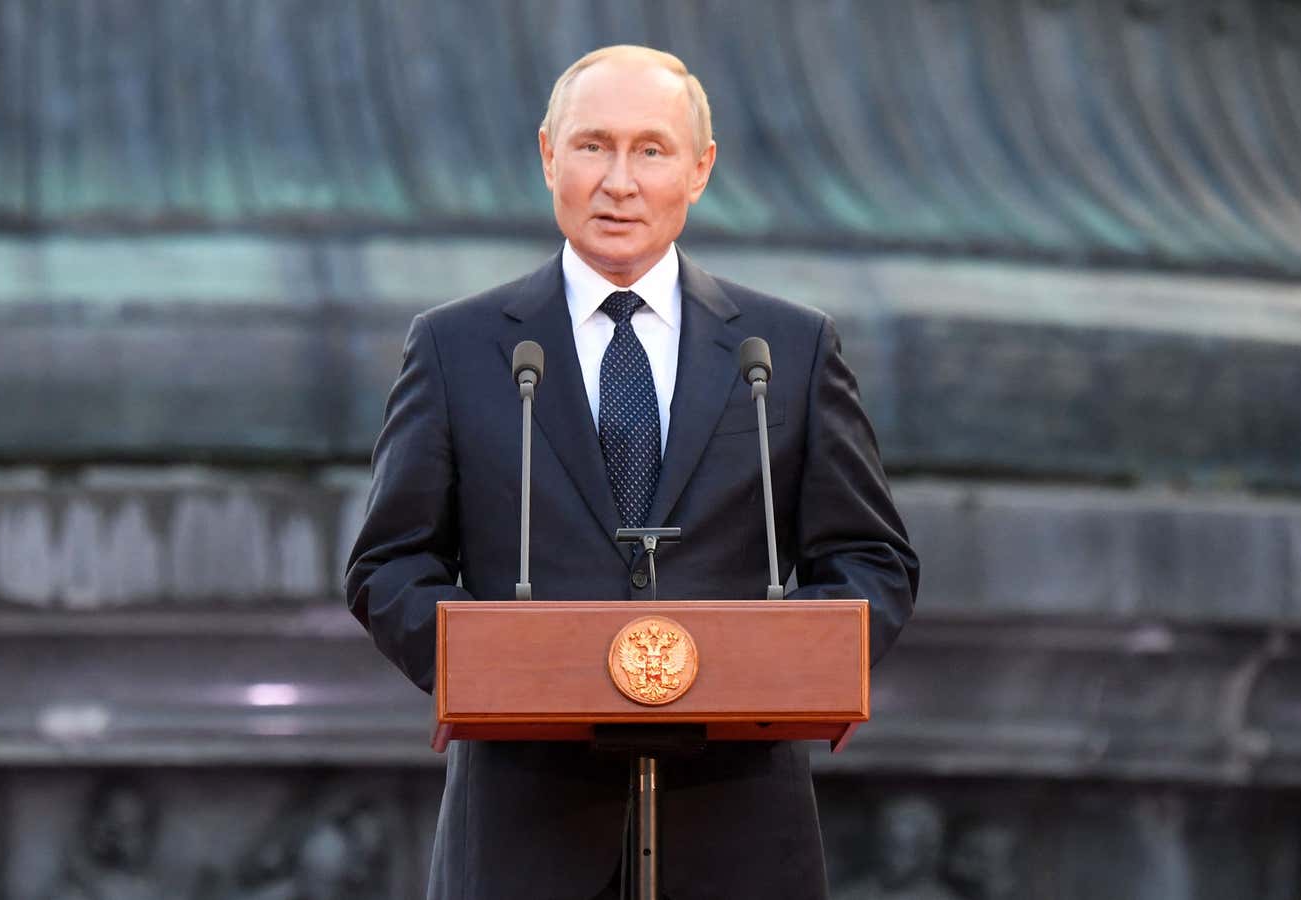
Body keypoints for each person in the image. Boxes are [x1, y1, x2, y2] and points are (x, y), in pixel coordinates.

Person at [344, 44, 917, 900]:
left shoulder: (787, 352)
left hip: (736, 831)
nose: (619, 180)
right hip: (523, 835)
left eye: (650, 150)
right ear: (547, 156)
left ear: (699, 169)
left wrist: (784, 657)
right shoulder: (458, 348)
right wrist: (498, 664)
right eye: (592, 146)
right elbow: (388, 565)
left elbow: (873, 562)